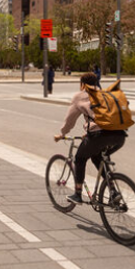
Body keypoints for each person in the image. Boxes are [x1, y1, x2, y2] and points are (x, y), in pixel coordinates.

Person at [54, 73, 126, 204]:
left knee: (80, 159)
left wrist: (62, 133)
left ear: (82, 84)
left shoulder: (80, 96)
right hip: (120, 135)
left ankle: (77, 194)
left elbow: (69, 121)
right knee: (98, 157)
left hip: (100, 135)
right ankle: (113, 192)